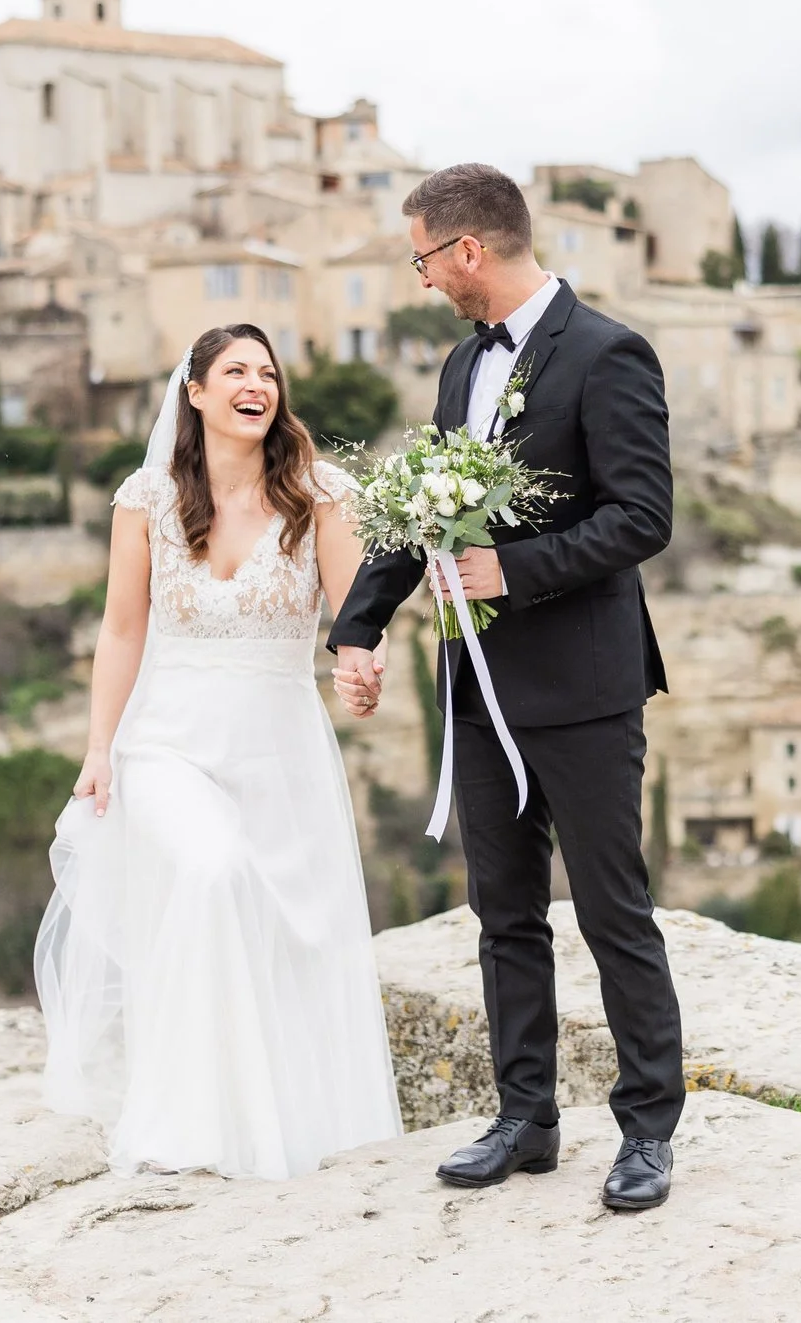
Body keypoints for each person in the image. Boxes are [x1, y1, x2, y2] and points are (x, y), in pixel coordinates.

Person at [330, 162, 686, 1213]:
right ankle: (525, 1115)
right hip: (473, 687)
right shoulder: (458, 367)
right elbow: (425, 512)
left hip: (581, 683)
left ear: (468, 250)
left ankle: (647, 1129)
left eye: (425, 259)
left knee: (614, 909)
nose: (425, 280)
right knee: (503, 911)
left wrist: (513, 570)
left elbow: (642, 514)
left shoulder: (610, 352)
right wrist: (357, 621)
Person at [33, 323, 401, 1180]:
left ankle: (278, 1121)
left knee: (283, 933)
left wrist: (364, 670)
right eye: (235, 370)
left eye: (268, 371)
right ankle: (187, 1120)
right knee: (208, 871)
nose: (256, 383)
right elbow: (123, 629)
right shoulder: (147, 500)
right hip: (166, 743)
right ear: (194, 391)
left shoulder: (324, 495)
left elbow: (355, 622)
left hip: (279, 748)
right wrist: (99, 747)